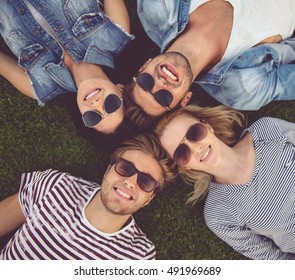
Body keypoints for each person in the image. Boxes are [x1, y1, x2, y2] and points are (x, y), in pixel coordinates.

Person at [0, 133, 177, 260]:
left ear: (150, 199)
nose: (130, 181)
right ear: (109, 169)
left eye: (145, 182)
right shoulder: (56, 185)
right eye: (126, 168)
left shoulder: (139, 255)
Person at [126, 0, 295, 129]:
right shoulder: (242, 89)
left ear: (143, 66)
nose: (159, 83)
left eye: (145, 82)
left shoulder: (158, 7)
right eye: (164, 97)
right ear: (185, 100)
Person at [155, 105, 295, 259]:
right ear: (184, 166)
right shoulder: (218, 213)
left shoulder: (266, 130)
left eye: (194, 132)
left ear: (207, 126)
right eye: (181, 152)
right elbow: (274, 259)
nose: (195, 148)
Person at [0, 0, 134, 133]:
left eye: (93, 117)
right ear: (121, 88)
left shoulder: (40, 86)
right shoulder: (116, 36)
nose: (96, 104)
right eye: (111, 104)